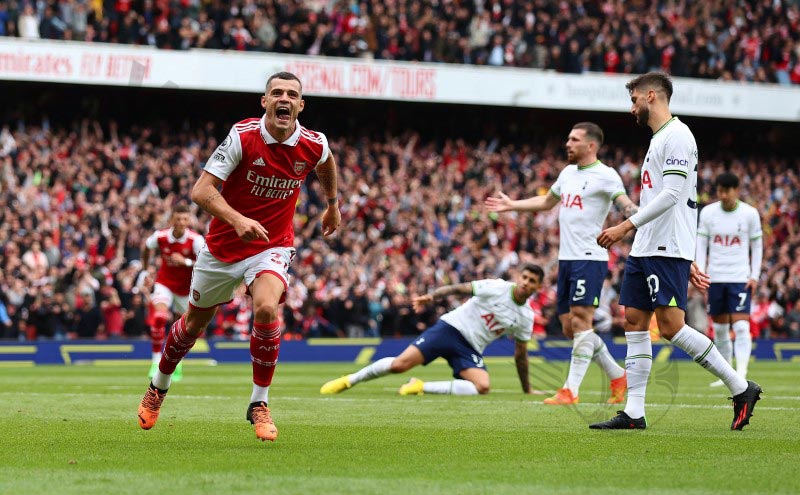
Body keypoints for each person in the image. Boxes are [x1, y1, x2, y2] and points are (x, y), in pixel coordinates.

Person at [137, 72, 341, 442]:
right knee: (193, 326)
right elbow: (201, 191)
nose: (284, 98)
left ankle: (258, 403)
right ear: (264, 101)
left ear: (300, 105)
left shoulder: (313, 143)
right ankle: (158, 386)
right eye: (276, 92)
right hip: (223, 249)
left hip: (272, 245)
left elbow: (326, 163)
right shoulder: (243, 136)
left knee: (266, 309)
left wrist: (332, 205)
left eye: (291, 94)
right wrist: (237, 219)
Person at [593, 72, 761, 430]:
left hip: (665, 245)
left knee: (671, 327)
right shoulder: (659, 139)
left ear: (651, 95)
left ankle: (740, 386)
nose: (632, 108)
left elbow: (672, 195)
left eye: (634, 99)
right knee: (634, 322)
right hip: (648, 245)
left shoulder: (678, 136)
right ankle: (634, 412)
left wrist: (626, 226)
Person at [486, 122, 637, 405]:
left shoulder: (606, 175)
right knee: (570, 328)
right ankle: (618, 376)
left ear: (591, 145)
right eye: (568, 138)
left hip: (589, 258)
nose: (567, 143)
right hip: (566, 260)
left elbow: (624, 204)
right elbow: (546, 203)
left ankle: (571, 390)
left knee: (582, 322)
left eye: (574, 139)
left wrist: (633, 218)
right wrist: (512, 205)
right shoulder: (567, 173)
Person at [319, 264, 544, 397]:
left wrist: (527, 390)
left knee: (482, 386)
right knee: (399, 365)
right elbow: (460, 288)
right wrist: (433, 296)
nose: (526, 282)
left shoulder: (526, 317)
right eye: (524, 277)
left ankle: (420, 386)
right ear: (519, 277)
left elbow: (521, 355)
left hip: (471, 347)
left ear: (538, 287)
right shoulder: (497, 287)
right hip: (450, 328)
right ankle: (350, 380)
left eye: (532, 281)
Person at [695, 172, 762, 387]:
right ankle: (727, 374)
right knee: (721, 329)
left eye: (727, 190)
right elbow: (701, 244)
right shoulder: (708, 213)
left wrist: (755, 275)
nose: (723, 195)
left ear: (736, 190)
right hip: (715, 278)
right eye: (720, 191)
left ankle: (741, 372)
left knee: (741, 327)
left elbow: (757, 245)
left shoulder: (750, 214)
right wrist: (701, 271)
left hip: (739, 278)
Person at [141, 205, 204, 380]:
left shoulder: (195, 240)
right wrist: (146, 271)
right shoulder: (160, 237)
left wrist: (185, 262)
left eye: (185, 219)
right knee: (160, 317)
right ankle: (155, 362)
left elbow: (205, 263)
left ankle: (177, 363)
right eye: (178, 219)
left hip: (186, 289)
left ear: (189, 220)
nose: (181, 223)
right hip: (165, 283)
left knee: (182, 330)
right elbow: (146, 247)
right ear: (171, 220)